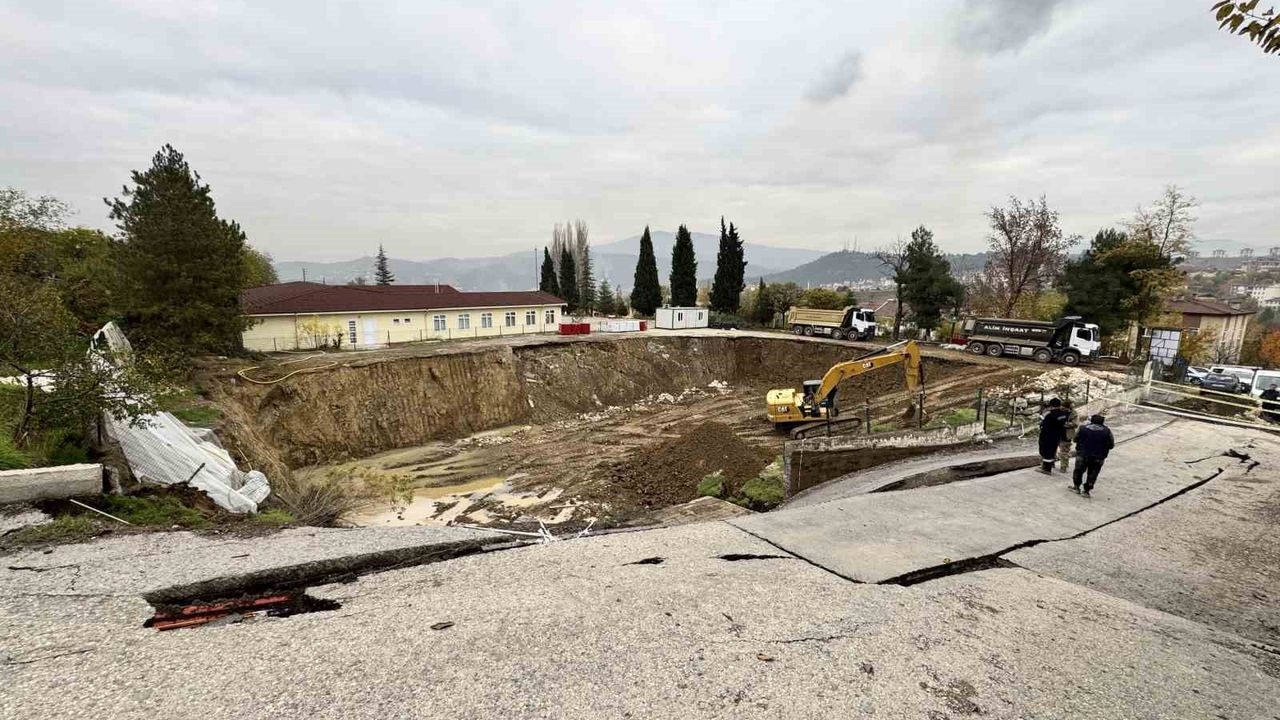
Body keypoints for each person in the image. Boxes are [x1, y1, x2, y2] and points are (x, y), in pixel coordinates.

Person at [1072, 413, 1115, 497]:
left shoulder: (1082, 428)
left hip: (1082, 454)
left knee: (1079, 471)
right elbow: (1111, 445)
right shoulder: (1107, 431)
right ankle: (1086, 491)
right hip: (1098, 457)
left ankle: (1076, 487)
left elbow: (1075, 439)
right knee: (1093, 473)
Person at [1038, 398, 1068, 474]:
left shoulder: (1049, 416)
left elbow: (1045, 427)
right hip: (1057, 435)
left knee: (1046, 451)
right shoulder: (1063, 414)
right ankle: (1050, 465)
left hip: (1048, 436)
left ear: (1051, 406)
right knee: (1052, 450)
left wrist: (1042, 423)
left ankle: (1047, 469)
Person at [1057, 400, 1078, 472]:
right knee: (1053, 449)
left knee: (1065, 451)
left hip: (1067, 435)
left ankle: (1064, 467)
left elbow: (1075, 424)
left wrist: (1063, 423)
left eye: (1063, 407)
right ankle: (1051, 464)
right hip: (1057, 433)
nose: (1062, 408)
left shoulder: (1073, 413)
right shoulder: (1059, 411)